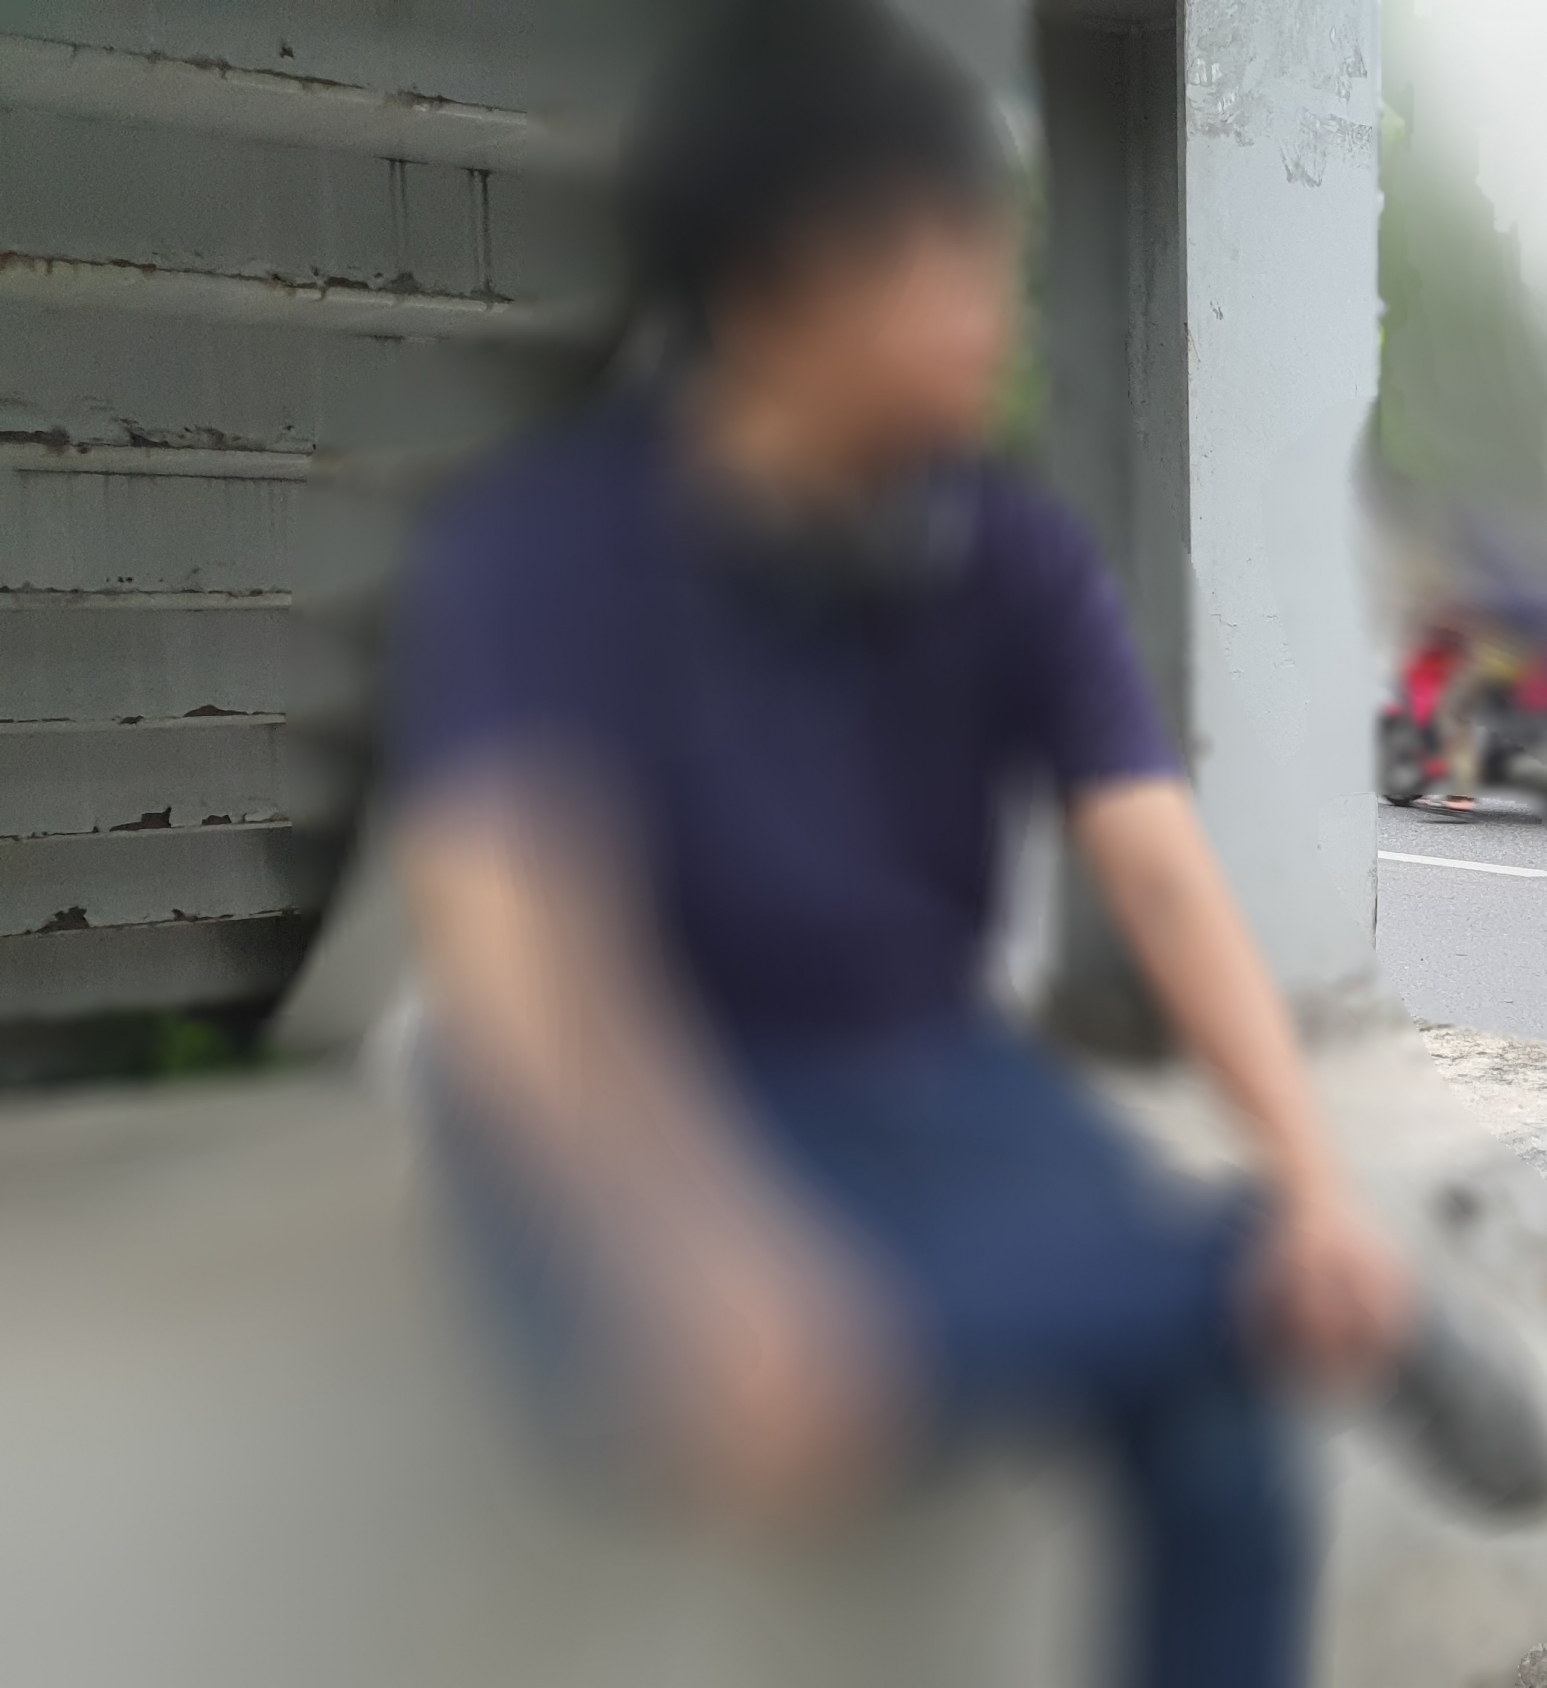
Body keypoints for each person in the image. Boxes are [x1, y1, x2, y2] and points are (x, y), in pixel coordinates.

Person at [390, 5, 1470, 1682]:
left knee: (1226, 1394)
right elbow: (521, 951)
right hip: (647, 1091)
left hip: (915, 1074)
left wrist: (1319, 1188)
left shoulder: (1011, 550)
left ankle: (1233, 1285)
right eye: (948, 261)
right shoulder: (541, 547)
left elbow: (1158, 870)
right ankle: (1232, 1290)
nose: (996, 313)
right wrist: (698, 1253)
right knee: (1027, 1326)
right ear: (780, 283)